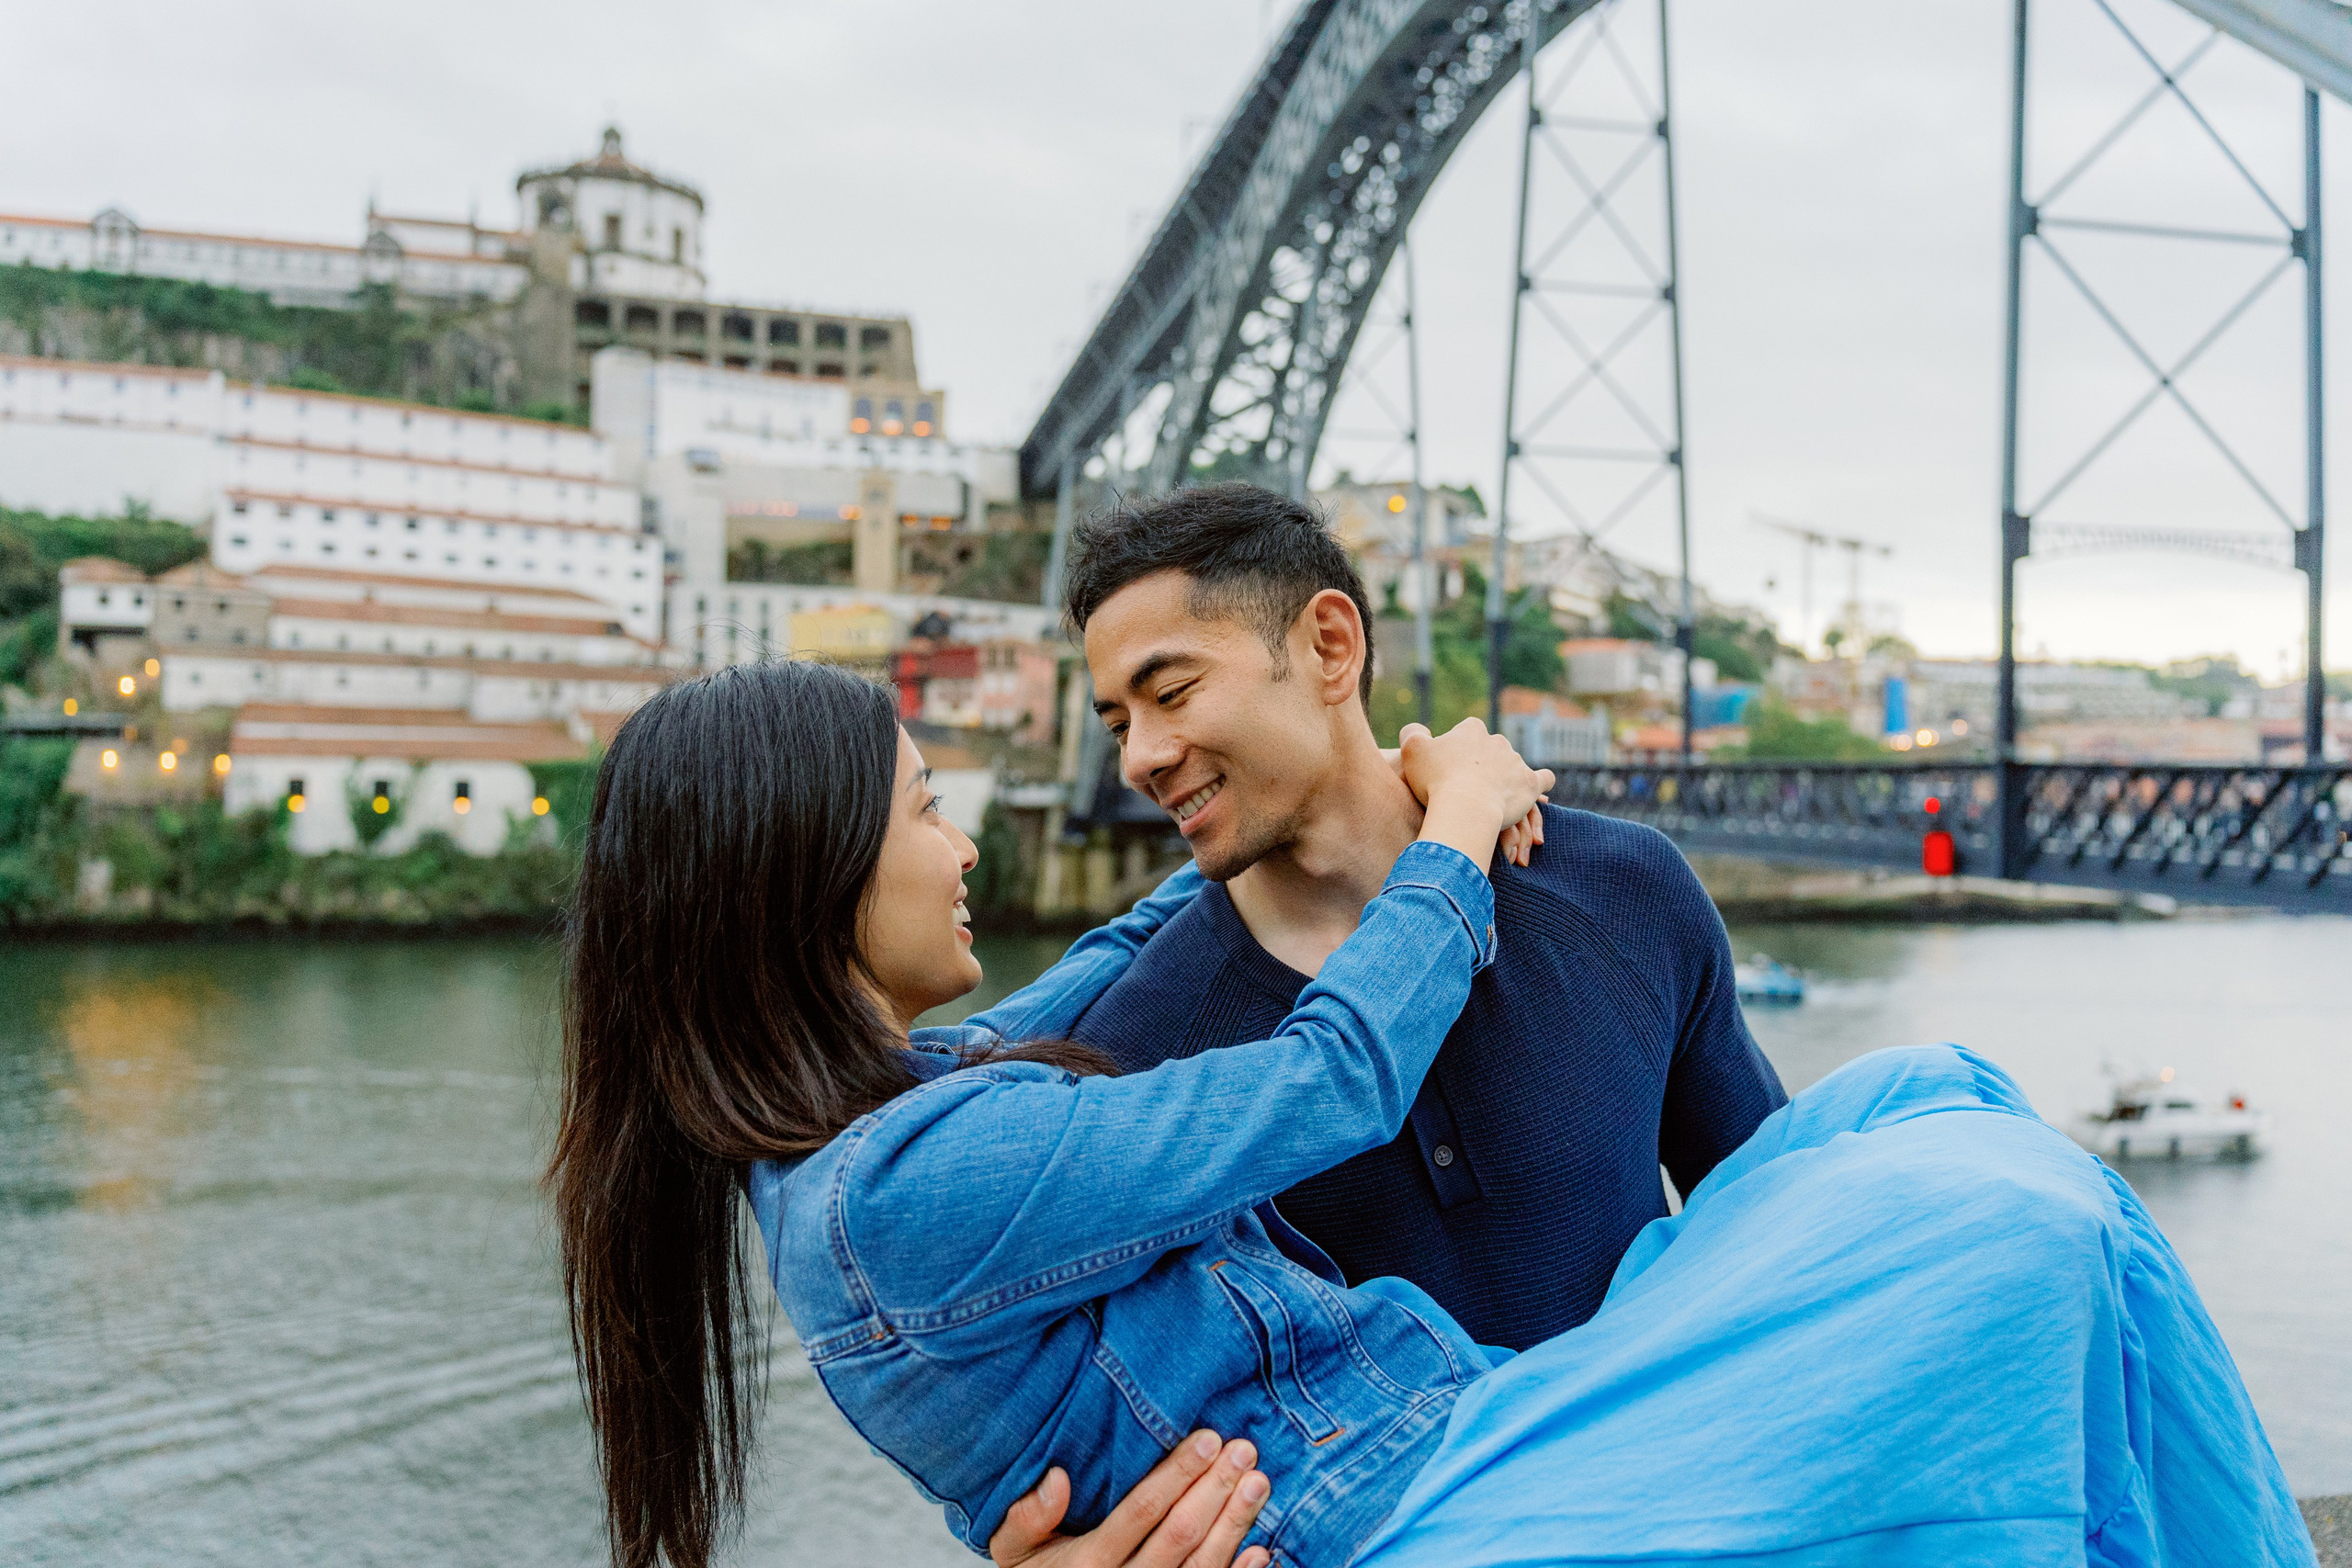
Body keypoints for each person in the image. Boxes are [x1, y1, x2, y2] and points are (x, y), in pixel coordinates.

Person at [550, 659, 2315, 1568]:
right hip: (1402, 1514)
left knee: (1935, 1088)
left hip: (1444, 1432)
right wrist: (1461, 826)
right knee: (2012, 1224)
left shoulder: (901, 1116)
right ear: (804, 877)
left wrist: (1334, 798)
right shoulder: (911, 1182)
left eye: (1173, 705)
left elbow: (1117, 942)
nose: (962, 847)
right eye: (929, 810)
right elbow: (1334, 1079)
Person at [1054, 483, 1785, 1355]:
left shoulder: (1626, 891)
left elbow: (1782, 1234)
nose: (1140, 758)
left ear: (1330, 646)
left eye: (1170, 693)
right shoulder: (1130, 1046)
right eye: (1118, 724)